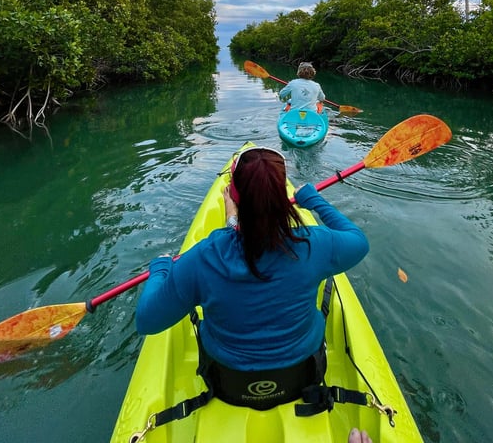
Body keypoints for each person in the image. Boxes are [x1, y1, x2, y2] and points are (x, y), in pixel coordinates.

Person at [135, 147, 369, 408]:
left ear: (234, 196)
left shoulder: (202, 258)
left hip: (228, 382)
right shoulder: (315, 246)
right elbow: (359, 241)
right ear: (281, 197)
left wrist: (161, 269)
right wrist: (314, 200)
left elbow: (146, 322)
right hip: (301, 375)